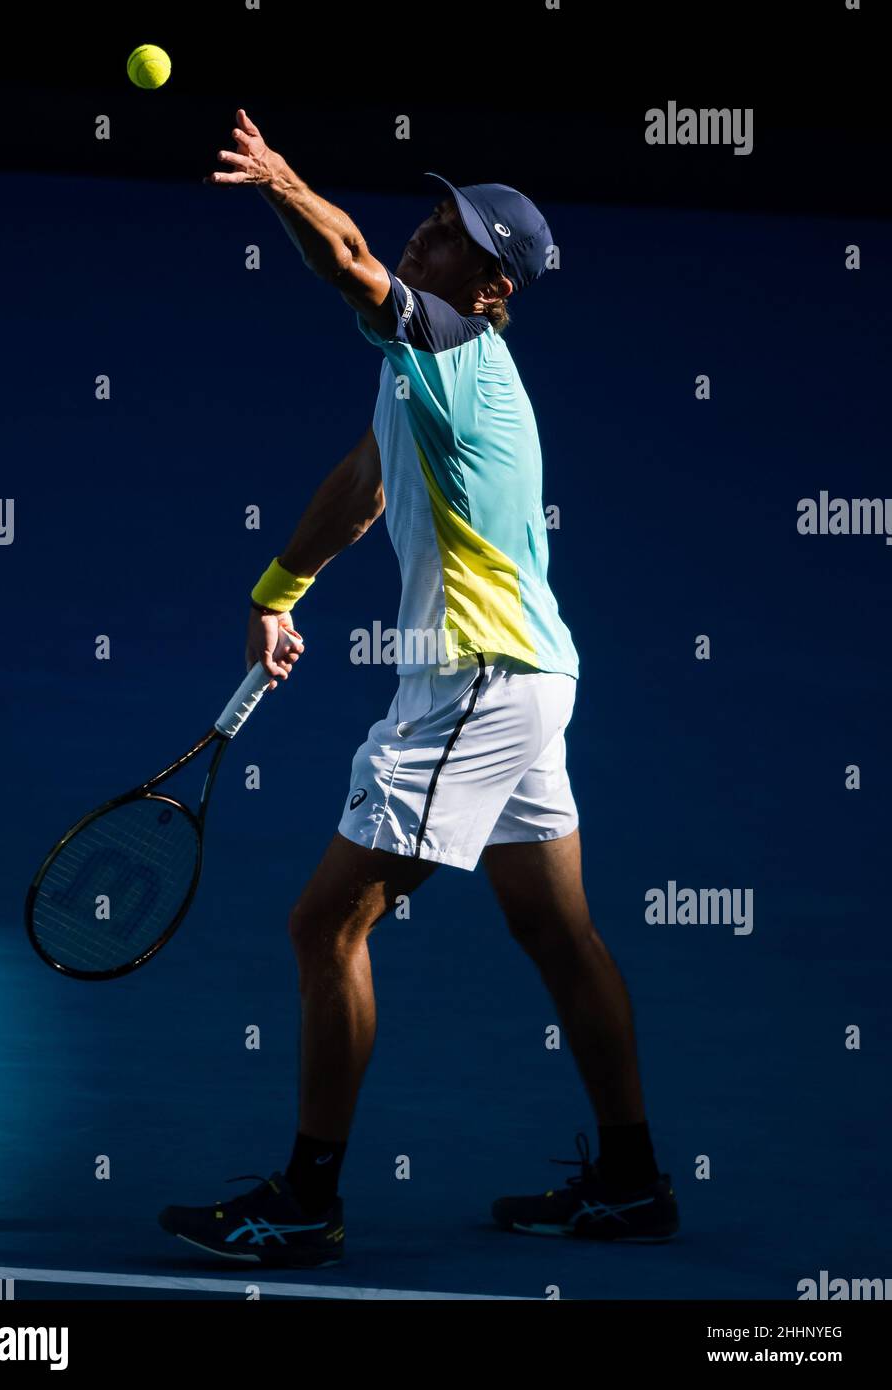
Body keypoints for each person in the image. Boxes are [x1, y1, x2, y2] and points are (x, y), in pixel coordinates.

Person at [159, 110, 679, 1267]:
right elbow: (365, 480)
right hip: (534, 678)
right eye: (432, 219)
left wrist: (283, 181)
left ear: (493, 289)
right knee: (557, 930)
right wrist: (276, 588)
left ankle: (307, 1199)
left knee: (324, 920)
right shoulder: (421, 375)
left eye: (449, 238)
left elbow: (347, 261)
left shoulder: (448, 347)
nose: (421, 239)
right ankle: (637, 1180)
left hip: (478, 684)